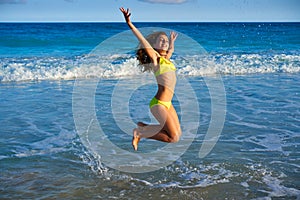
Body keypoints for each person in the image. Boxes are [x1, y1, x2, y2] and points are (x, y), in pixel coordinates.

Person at [120, 7, 181, 151]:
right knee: (171, 138)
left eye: (165, 41)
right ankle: (140, 133)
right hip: (159, 104)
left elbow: (170, 50)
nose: (164, 43)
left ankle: (143, 127)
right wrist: (129, 23)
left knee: (176, 137)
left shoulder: (166, 59)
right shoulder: (156, 59)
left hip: (168, 103)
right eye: (161, 41)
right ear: (154, 45)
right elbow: (142, 39)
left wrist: (171, 42)